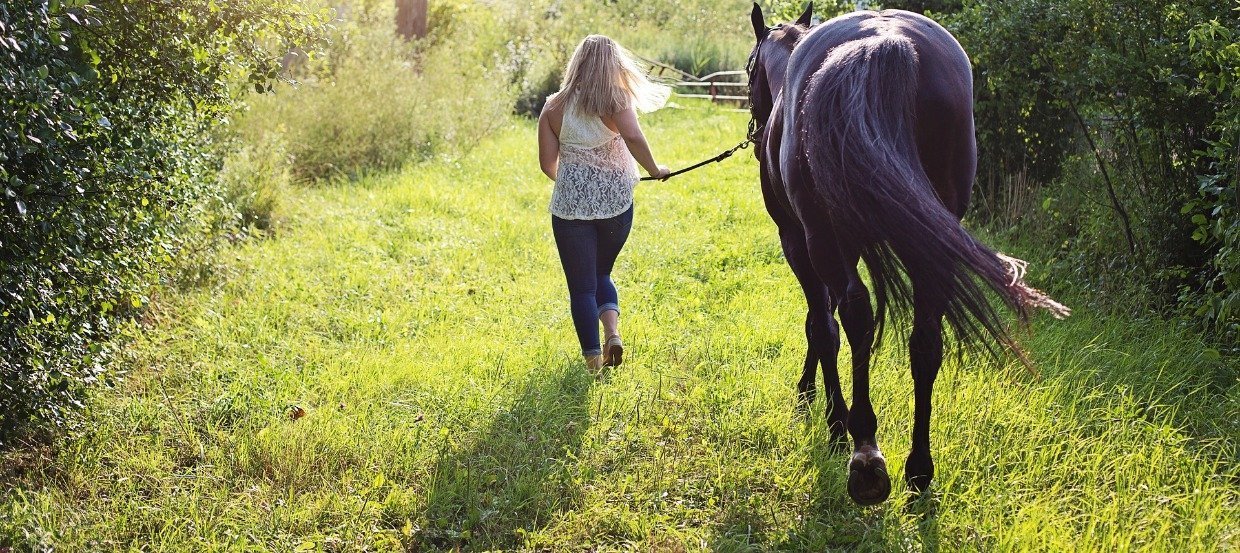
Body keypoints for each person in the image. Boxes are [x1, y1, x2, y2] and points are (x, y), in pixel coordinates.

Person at [537, 34, 671, 373]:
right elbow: (634, 137)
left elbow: (547, 164)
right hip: (616, 205)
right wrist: (655, 170)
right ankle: (612, 333)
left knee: (581, 287)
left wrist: (576, 185)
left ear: (577, 63)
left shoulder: (553, 106)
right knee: (602, 272)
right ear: (612, 65)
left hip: (569, 210)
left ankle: (594, 362)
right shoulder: (616, 99)